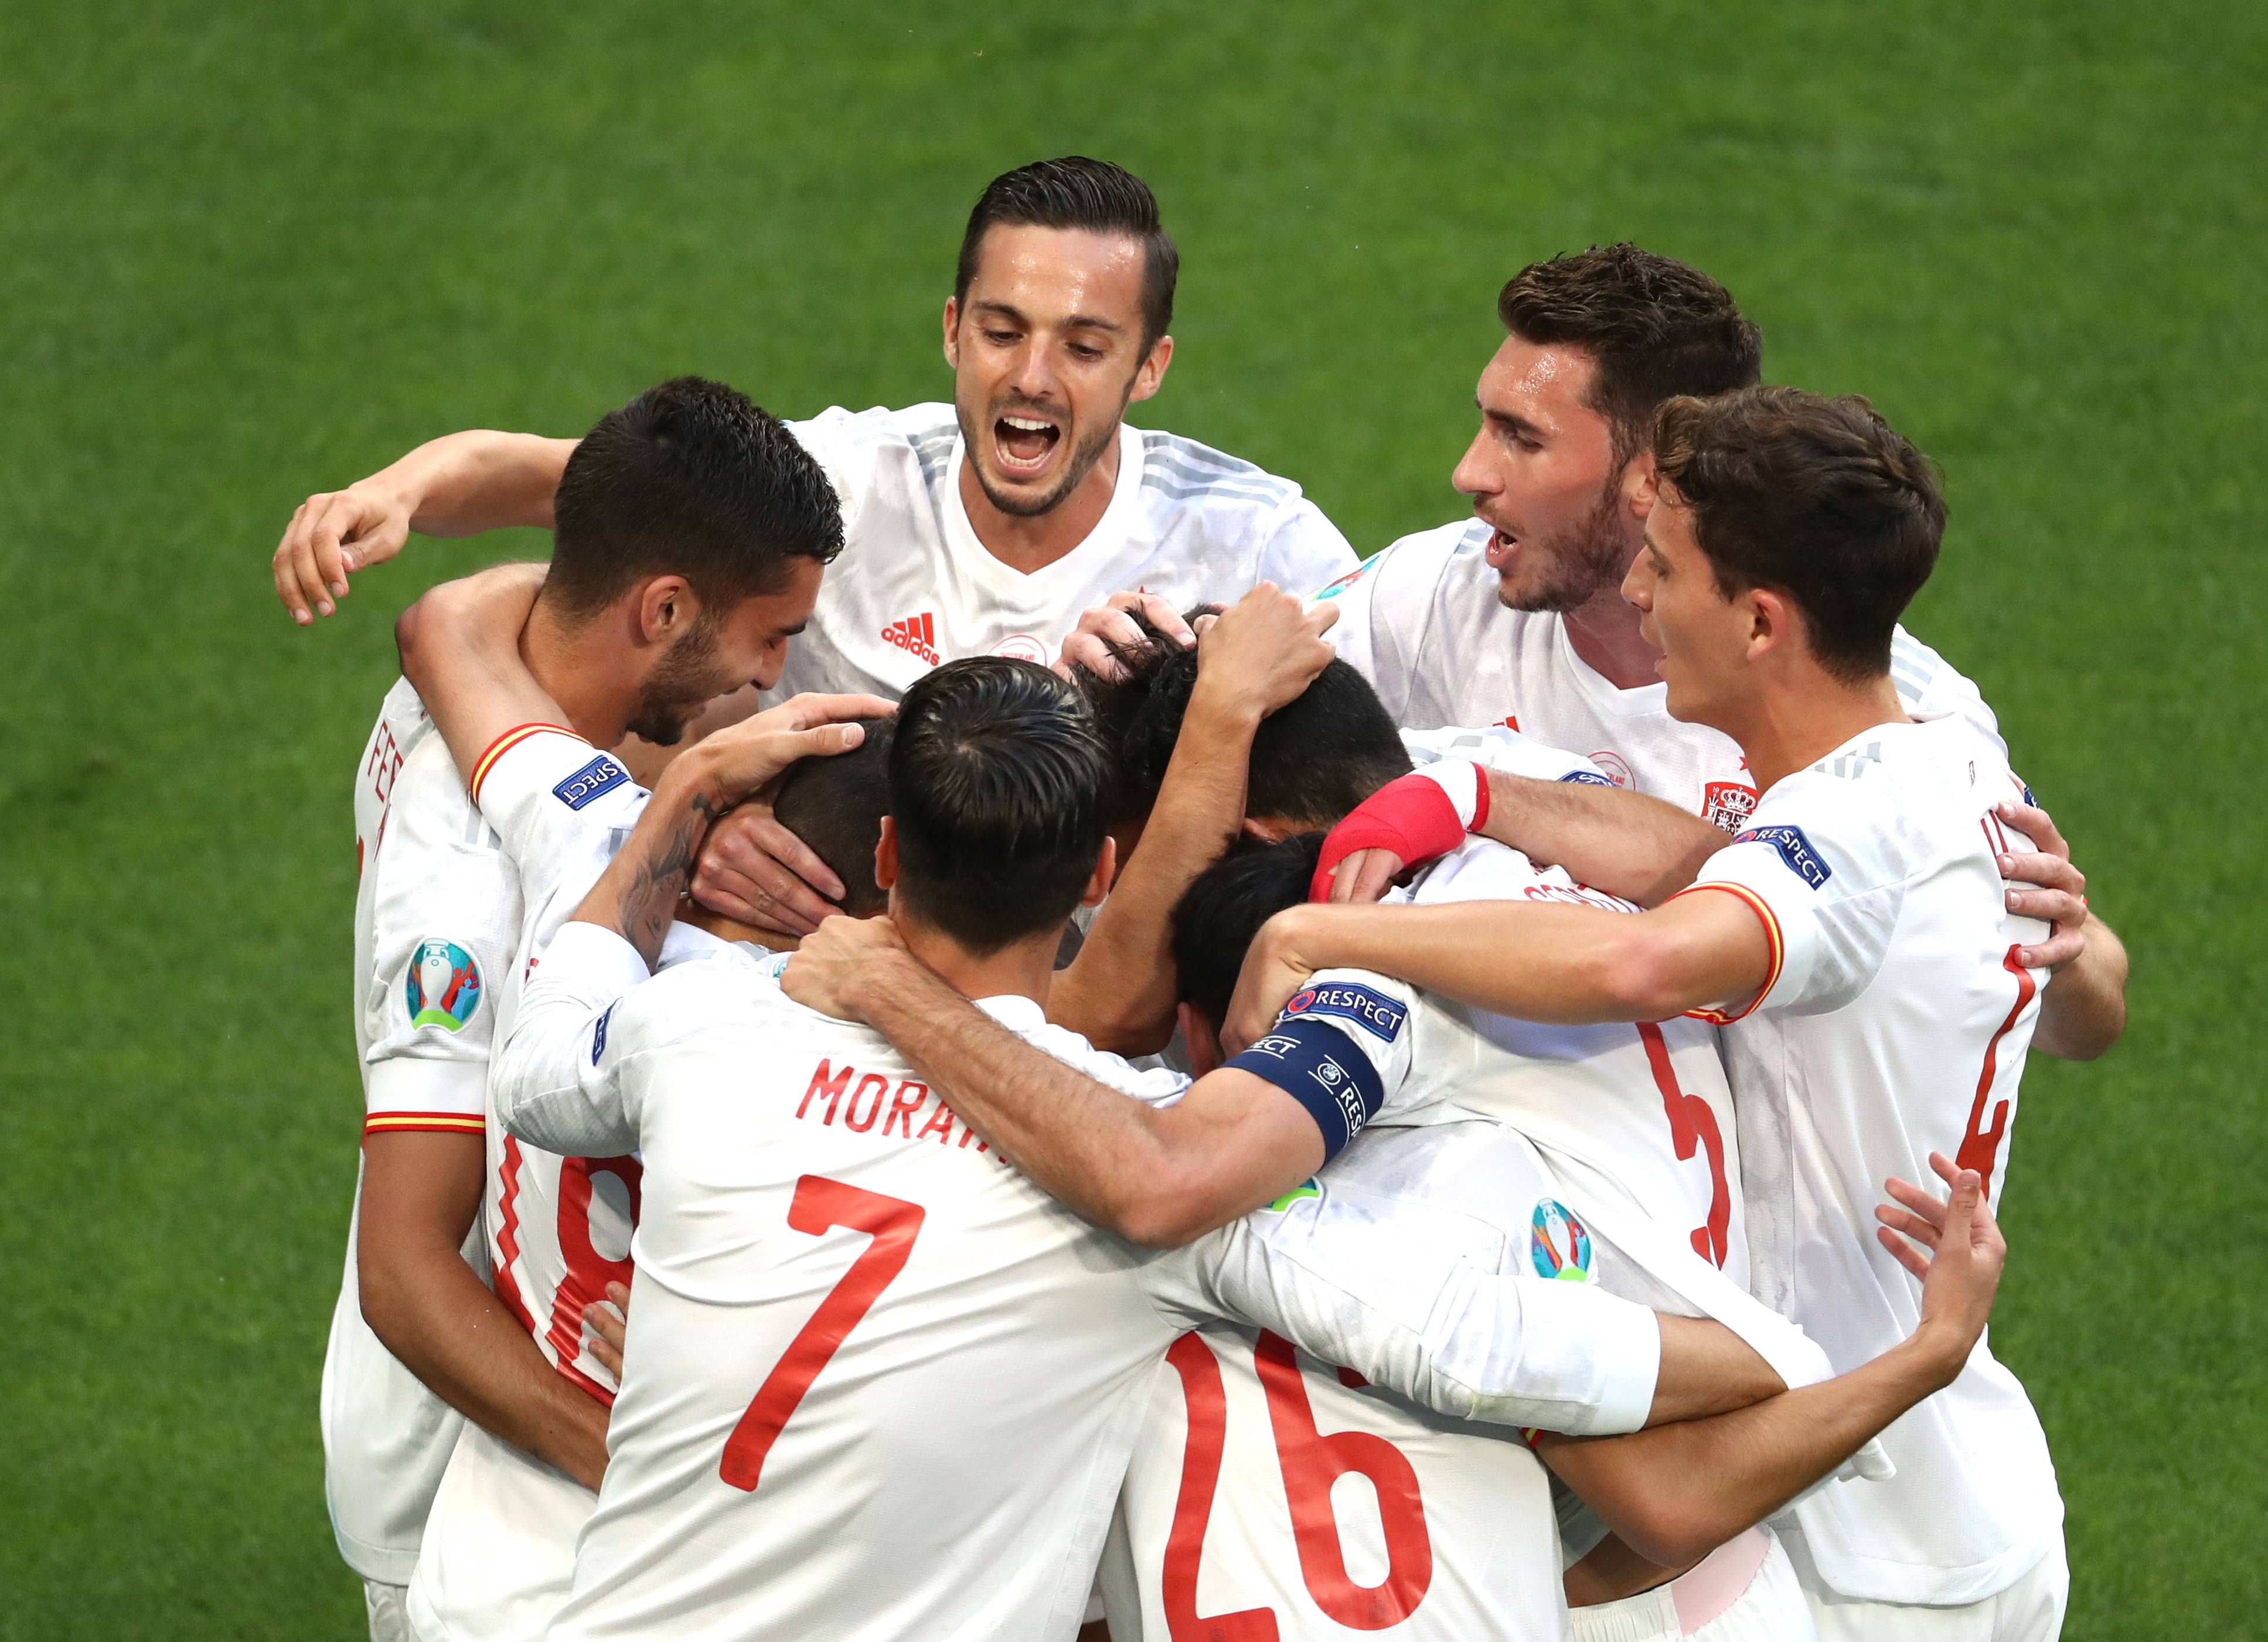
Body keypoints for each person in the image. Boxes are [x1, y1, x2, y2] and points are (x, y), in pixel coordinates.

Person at [496, 656, 2011, 1641]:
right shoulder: (1132, 1184)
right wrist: (1803, 1356)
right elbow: (1467, 1345)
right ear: (1096, 875)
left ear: (888, 860)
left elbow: (544, 1065)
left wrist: (681, 802)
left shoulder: (702, 1037)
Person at [1226, 389, 2072, 1638]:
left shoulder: (1863, 829)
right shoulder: (1912, 769)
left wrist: (1318, 932)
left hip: (1863, 1535)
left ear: (1763, 621)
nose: (1635, 596)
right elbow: (1698, 862)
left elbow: (1644, 965)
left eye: (1666, 570)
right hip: (1897, 1491)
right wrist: (1468, 790)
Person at [269, 155, 1358, 938]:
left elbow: (1362, 795)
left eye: (1083, 345)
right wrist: (397, 490)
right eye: (1001, 331)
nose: (1032, 376)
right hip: (828, 1018)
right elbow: (577, 481)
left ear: (1149, 366)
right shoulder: (851, 481)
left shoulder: (1258, 543)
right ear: (949, 329)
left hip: (1111, 1043)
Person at [319, 375, 866, 1642]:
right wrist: (664, 1493)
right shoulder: (464, 862)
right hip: (471, 1452)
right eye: (771, 640)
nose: (778, 678)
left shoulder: (517, 682)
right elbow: (407, 1274)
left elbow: (494, 599)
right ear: (663, 606)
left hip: (582, 1390)